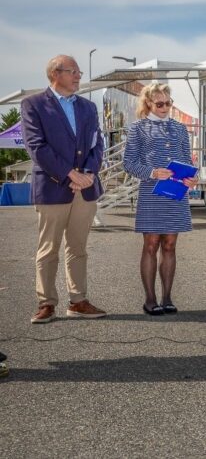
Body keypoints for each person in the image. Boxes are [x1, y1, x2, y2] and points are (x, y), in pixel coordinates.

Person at [21, 55, 107, 324]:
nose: (79, 76)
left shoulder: (88, 107)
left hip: (85, 188)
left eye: (79, 72)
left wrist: (89, 173)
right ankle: (46, 303)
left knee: (78, 247)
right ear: (55, 74)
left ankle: (78, 301)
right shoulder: (33, 104)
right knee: (48, 249)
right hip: (52, 187)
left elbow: (98, 143)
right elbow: (36, 146)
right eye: (73, 71)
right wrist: (70, 173)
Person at [123, 83, 198, 315]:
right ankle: (150, 300)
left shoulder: (180, 128)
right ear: (148, 103)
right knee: (151, 244)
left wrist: (192, 179)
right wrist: (152, 172)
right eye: (160, 103)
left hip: (176, 195)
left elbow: (187, 160)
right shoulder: (137, 128)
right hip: (151, 194)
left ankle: (167, 298)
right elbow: (129, 163)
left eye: (168, 102)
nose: (165, 107)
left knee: (170, 245)